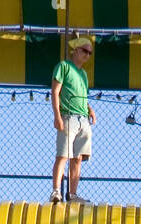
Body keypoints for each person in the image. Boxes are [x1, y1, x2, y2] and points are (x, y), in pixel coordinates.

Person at [50, 37, 96, 205]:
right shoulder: (63, 67)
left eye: (90, 53)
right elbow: (55, 91)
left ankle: (73, 194)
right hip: (68, 115)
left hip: (83, 119)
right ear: (75, 50)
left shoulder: (83, 74)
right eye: (85, 51)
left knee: (77, 158)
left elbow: (81, 96)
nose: (87, 55)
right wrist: (57, 116)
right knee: (63, 154)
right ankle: (56, 190)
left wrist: (89, 109)